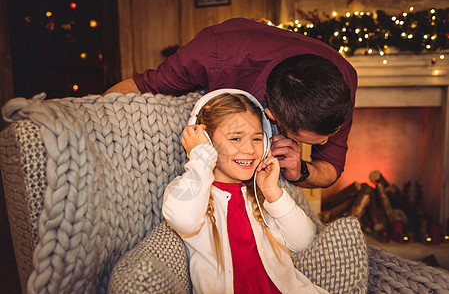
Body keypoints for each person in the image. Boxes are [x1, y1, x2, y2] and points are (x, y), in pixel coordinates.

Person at [105, 18, 357, 188]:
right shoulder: (213, 51)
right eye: (307, 139)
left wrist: (301, 170)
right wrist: (90, 120)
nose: (326, 142)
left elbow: (332, 167)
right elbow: (142, 86)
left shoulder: (342, 79)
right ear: (272, 116)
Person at [162, 91, 328, 293]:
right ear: (206, 142)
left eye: (257, 139)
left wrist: (272, 192)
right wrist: (201, 158)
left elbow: (304, 241)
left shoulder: (260, 195)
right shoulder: (192, 191)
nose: (249, 149)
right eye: (236, 138)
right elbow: (184, 220)